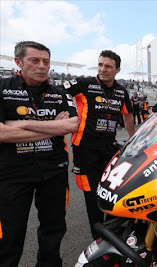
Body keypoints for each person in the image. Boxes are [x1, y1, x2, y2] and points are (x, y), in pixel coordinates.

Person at [0, 41, 78, 267]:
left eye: (46, 61)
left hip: (54, 170)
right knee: (10, 233)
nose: (42, 66)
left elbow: (71, 125)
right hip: (12, 172)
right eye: (34, 60)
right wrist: (51, 128)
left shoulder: (59, 92)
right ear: (18, 62)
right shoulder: (3, 88)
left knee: (53, 229)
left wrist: (22, 125)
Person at [63, 50, 135, 239]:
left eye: (108, 66)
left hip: (109, 148)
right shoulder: (84, 83)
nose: (103, 69)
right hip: (84, 148)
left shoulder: (121, 91)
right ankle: (99, 238)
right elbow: (58, 91)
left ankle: (113, 231)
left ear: (117, 70)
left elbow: (128, 115)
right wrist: (67, 112)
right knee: (92, 195)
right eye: (100, 65)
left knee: (112, 191)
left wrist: (133, 139)